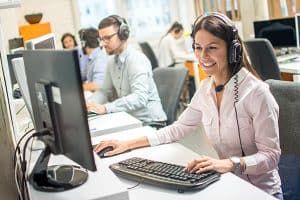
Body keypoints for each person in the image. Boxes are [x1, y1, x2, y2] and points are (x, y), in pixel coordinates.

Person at [94, 12, 283, 199]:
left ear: (233, 50)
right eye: (198, 48)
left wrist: (230, 164)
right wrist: (127, 144)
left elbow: (271, 156)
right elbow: (177, 129)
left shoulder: (257, 93)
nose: (203, 56)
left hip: (261, 192)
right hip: (229, 185)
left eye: (212, 48)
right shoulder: (205, 89)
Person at [87, 15, 166, 124]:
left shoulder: (136, 60)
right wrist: (89, 105)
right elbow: (104, 91)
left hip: (150, 123)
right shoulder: (111, 62)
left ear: (123, 34)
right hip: (130, 119)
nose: (103, 43)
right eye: (101, 39)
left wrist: (106, 108)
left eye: (108, 38)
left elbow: (139, 98)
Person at [80, 27, 108, 92]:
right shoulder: (91, 58)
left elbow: (97, 86)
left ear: (84, 44)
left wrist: (74, 88)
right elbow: (83, 75)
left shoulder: (100, 59)